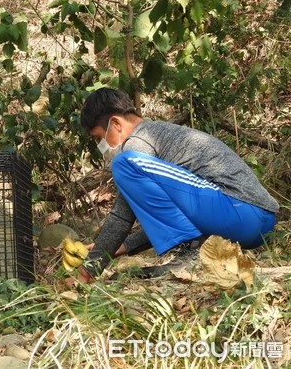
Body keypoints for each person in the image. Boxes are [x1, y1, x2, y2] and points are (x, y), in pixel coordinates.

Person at [74, 88, 279, 282]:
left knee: (123, 163)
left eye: (99, 138)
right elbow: (176, 216)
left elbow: (122, 215)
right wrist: (122, 247)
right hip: (255, 221)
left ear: (116, 124)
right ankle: (193, 250)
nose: (101, 146)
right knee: (128, 165)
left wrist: (89, 269)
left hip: (239, 211)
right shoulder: (159, 135)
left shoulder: (138, 142)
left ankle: (193, 253)